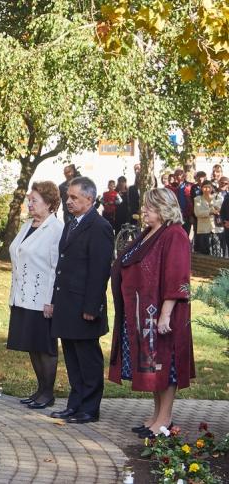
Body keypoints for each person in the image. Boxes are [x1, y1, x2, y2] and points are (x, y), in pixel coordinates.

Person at [108, 188, 195, 438]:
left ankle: (164, 419)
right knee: (152, 366)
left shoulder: (175, 234)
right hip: (143, 312)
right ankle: (156, 415)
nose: (143, 210)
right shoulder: (150, 233)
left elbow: (177, 276)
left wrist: (165, 314)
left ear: (164, 209)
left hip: (162, 315)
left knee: (166, 366)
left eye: (149, 206)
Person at [49, 176, 114, 424]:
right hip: (67, 304)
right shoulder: (71, 224)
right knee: (73, 358)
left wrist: (91, 307)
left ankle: (90, 407)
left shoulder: (99, 227)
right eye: (68, 197)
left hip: (84, 305)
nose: (69, 201)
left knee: (88, 358)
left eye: (74, 197)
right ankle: (74, 404)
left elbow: (99, 271)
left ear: (89, 198)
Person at [7, 181, 64, 409]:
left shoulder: (56, 230)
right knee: (31, 344)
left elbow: (56, 267)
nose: (29, 204)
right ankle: (40, 389)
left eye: (34, 201)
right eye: (29, 200)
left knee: (44, 347)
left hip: (42, 299)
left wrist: (52, 301)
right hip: (22, 295)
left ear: (49, 204)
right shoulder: (28, 225)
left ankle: (48, 393)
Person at [193, 180, 223, 256]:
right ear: (201, 188)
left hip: (216, 229)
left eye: (208, 187)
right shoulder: (197, 199)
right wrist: (211, 211)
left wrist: (209, 209)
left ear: (212, 188)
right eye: (204, 187)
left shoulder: (218, 197)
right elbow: (198, 213)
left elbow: (220, 209)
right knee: (205, 253)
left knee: (218, 253)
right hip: (203, 230)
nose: (207, 189)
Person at [173, 169, 194, 236]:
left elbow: (192, 201)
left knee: (186, 235)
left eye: (178, 175)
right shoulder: (172, 187)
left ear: (184, 176)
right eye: (175, 175)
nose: (176, 176)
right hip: (176, 216)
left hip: (187, 216)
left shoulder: (190, 186)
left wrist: (191, 214)